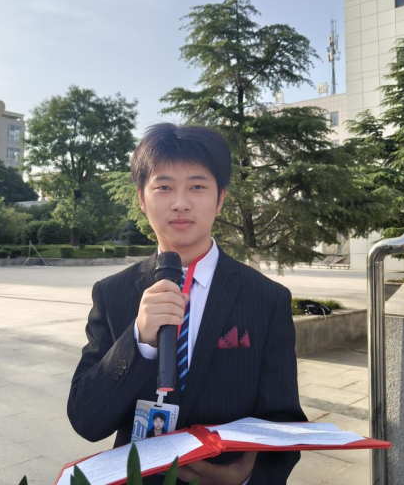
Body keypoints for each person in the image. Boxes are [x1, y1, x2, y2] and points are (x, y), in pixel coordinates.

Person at [68, 123, 306, 484]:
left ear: (220, 198)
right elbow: (86, 420)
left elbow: (284, 419)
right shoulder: (112, 293)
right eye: (164, 187)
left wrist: (247, 477)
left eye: (197, 186)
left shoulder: (267, 297)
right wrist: (137, 339)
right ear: (142, 198)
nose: (180, 203)